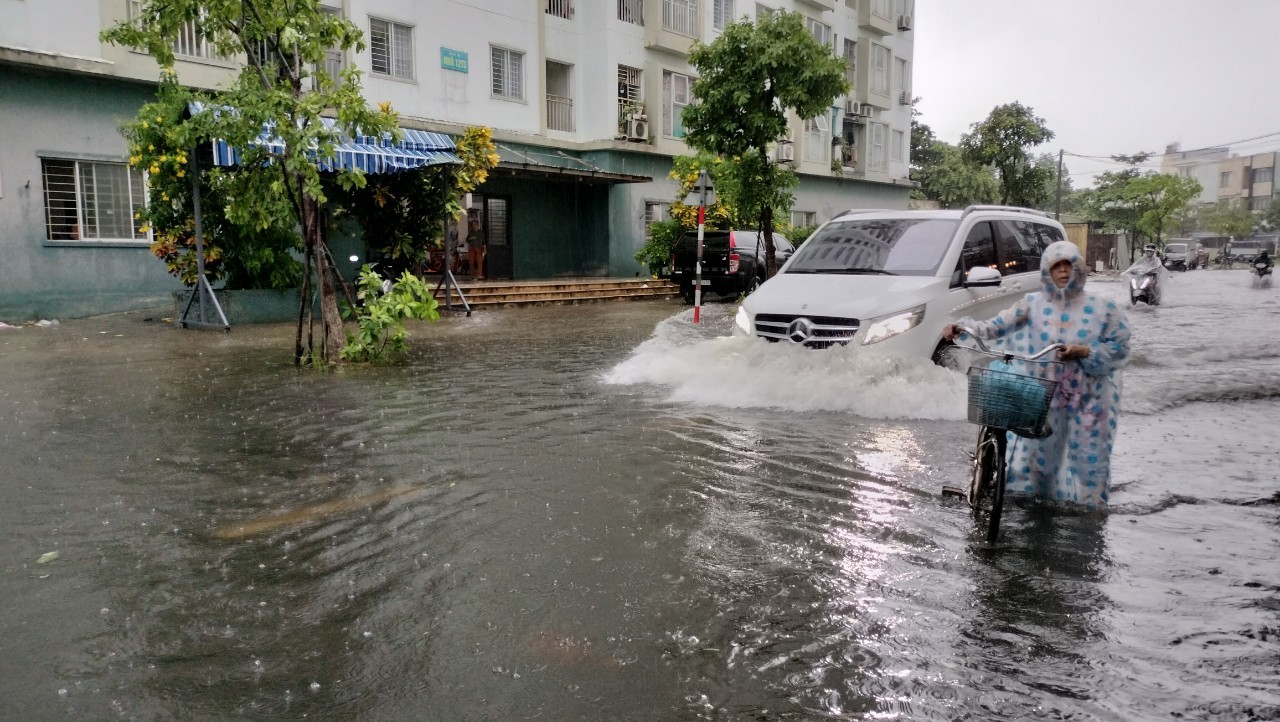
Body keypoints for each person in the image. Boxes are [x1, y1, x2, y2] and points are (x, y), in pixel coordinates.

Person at [943, 241, 1132, 509]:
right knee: (1043, 465)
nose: (1064, 271)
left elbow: (1120, 346)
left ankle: (1091, 526)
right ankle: (1042, 519)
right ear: (1047, 271)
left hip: (1092, 399)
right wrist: (962, 327)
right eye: (1057, 266)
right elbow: (996, 326)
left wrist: (1085, 351)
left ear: (1078, 268)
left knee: (1091, 464)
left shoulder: (1103, 307)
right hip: (1049, 397)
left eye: (1069, 264)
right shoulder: (1032, 305)